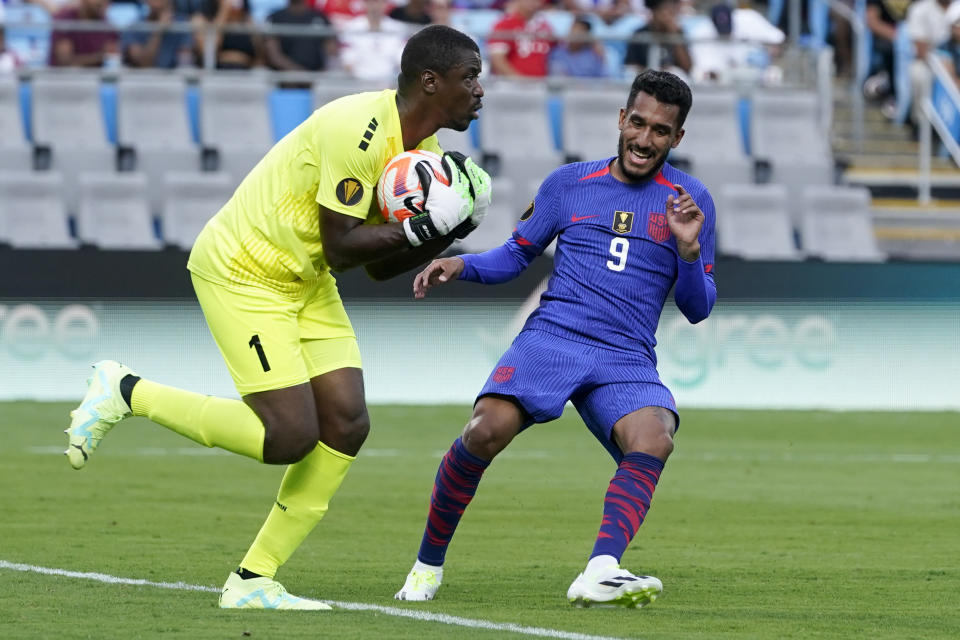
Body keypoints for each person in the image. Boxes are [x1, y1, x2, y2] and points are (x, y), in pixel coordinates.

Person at [64, 24, 491, 611]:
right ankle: (125, 390)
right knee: (289, 436)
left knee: (347, 424)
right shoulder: (358, 130)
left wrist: (451, 230)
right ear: (430, 80)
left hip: (306, 280)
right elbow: (344, 246)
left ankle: (251, 580)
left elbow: (377, 269)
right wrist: (422, 225)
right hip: (245, 270)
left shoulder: (426, 160)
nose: (480, 90)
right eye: (470, 76)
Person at [394, 69, 716, 608]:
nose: (644, 139)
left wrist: (687, 252)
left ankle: (601, 570)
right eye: (637, 123)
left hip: (625, 355)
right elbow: (516, 254)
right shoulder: (568, 184)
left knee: (655, 436)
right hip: (554, 337)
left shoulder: (691, 201)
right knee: (483, 431)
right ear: (621, 119)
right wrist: (462, 266)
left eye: (660, 131)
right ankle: (427, 566)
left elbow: (698, 308)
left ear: (677, 138)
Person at [264, 0, 338, 73]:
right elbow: (273, 55)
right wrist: (299, 74)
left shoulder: (320, 17)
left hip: (317, 78)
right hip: (283, 78)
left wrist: (318, 75)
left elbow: (332, 52)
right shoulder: (275, 18)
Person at [623, 0, 692, 77]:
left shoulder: (678, 32)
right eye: (664, 9)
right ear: (654, 11)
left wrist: (673, 33)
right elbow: (631, 65)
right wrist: (653, 71)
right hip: (646, 79)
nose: (667, 15)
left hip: (671, 82)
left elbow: (687, 67)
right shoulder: (640, 33)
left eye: (671, 10)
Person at [487, 0, 555, 77]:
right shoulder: (504, 24)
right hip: (510, 84)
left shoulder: (545, 26)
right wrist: (519, 79)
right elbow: (497, 60)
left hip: (540, 83)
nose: (532, 2)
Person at [123, 0, 195, 69]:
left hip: (174, 80)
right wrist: (159, 30)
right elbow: (144, 64)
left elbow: (185, 64)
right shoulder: (134, 27)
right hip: (144, 80)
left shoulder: (183, 25)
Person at [49, 0, 120, 67]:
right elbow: (65, 62)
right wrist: (100, 57)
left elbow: (112, 58)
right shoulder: (65, 19)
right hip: (62, 78)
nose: (103, 2)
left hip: (95, 78)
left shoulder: (108, 26)